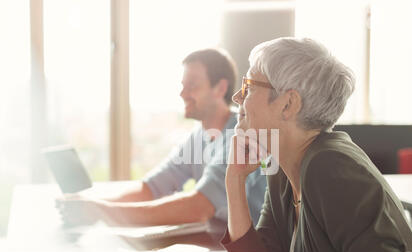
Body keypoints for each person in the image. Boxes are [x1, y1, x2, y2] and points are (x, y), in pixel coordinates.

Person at [222, 37, 412, 252]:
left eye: (248, 86)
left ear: (288, 104)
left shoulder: (330, 167)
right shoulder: (282, 170)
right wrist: (235, 179)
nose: (237, 97)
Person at [58, 48, 266, 230]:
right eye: (182, 85)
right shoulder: (198, 137)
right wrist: (90, 202)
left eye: (192, 85)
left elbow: (200, 207)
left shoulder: (241, 136)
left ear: (220, 88)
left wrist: (101, 212)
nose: (182, 93)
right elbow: (151, 188)